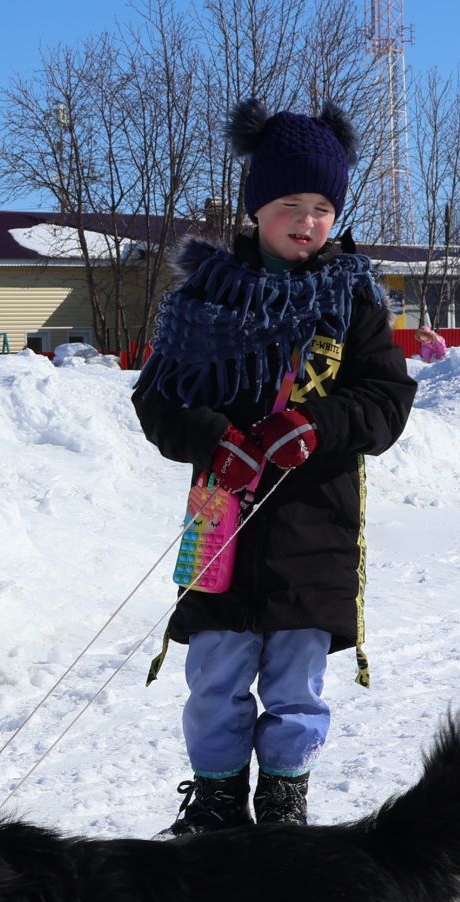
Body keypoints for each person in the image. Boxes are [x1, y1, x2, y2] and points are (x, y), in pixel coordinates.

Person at [133, 98, 415, 832]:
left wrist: (315, 426)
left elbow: (386, 401)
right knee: (216, 679)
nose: (308, 220)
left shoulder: (353, 300)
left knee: (297, 687)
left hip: (314, 536)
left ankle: (285, 808)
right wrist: (210, 436)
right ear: (256, 207)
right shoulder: (204, 297)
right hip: (222, 530)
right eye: (290, 202)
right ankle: (218, 807)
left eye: (323, 205)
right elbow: (157, 400)